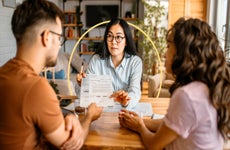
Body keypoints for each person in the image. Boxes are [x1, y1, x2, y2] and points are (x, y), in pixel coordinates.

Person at [0, 0, 102, 149]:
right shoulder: (36, 87)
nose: (60, 44)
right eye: (59, 37)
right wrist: (89, 117)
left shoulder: (4, 73)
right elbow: (71, 145)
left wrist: (69, 116)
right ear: (46, 37)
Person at [118, 17, 230, 149]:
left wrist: (139, 127)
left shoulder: (187, 96)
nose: (164, 53)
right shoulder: (206, 87)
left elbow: (154, 144)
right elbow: (172, 124)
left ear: (182, 51)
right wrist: (140, 121)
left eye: (168, 45)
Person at [77, 18, 143, 109]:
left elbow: (135, 92)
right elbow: (88, 94)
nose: (113, 42)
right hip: (101, 111)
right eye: (110, 36)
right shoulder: (96, 60)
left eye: (119, 37)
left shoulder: (135, 62)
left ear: (126, 41)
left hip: (125, 111)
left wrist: (126, 101)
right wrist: (83, 84)